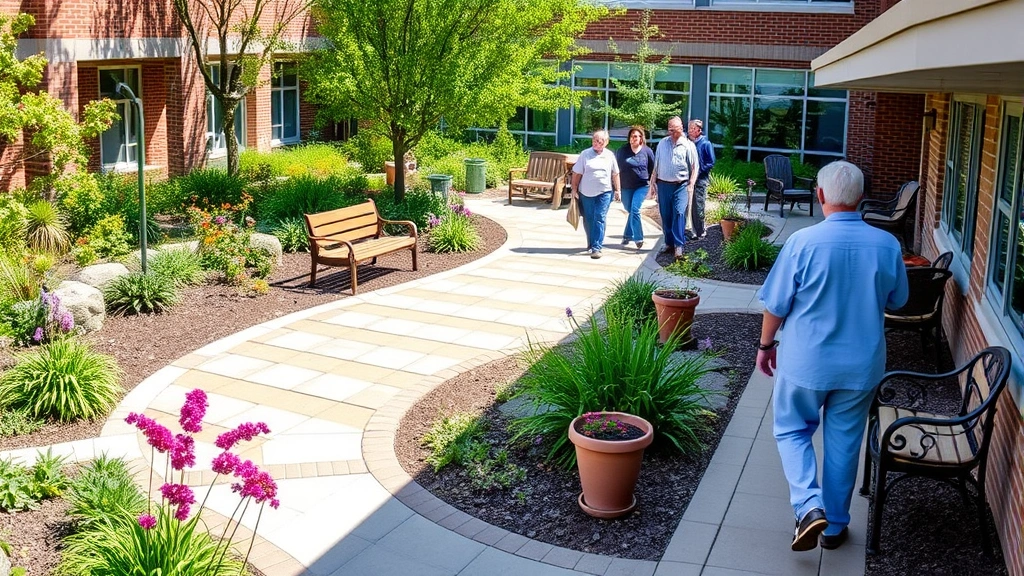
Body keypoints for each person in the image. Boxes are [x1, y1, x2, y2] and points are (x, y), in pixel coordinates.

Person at [756, 160, 909, 553]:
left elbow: (776, 304)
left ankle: (809, 506)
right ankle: (835, 527)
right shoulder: (887, 245)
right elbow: (899, 300)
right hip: (861, 366)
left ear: (821, 196)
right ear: (861, 198)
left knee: (792, 430)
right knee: (844, 442)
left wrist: (766, 345)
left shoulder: (802, 243)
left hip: (806, 363)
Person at [649, 116, 698, 259]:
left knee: (679, 212)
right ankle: (669, 242)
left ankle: (679, 246)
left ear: (681, 129)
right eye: (669, 130)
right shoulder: (662, 144)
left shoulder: (688, 145)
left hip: (680, 185)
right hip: (663, 184)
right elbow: (656, 165)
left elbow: (695, 167)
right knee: (666, 214)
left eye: (674, 130)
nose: (671, 133)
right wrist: (652, 183)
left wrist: (691, 184)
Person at [571, 130, 621, 259]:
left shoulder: (609, 155)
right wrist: (574, 189)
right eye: (594, 140)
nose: (596, 143)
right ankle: (591, 241)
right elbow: (577, 173)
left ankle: (597, 247)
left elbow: (615, 173)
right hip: (586, 192)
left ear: (606, 142)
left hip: (604, 192)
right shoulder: (585, 154)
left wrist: (617, 190)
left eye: (599, 141)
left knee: (599, 217)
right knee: (588, 218)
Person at [615, 126, 655, 250]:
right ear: (629, 138)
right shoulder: (623, 150)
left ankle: (638, 238)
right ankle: (627, 235)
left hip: (642, 186)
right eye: (633, 136)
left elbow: (653, 169)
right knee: (630, 210)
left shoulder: (647, 151)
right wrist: (616, 188)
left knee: (635, 209)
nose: (635, 138)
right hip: (626, 186)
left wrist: (653, 186)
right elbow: (616, 169)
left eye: (637, 136)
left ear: (641, 138)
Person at [687, 119, 716, 239]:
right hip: (689, 180)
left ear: (699, 130)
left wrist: (698, 171)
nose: (689, 131)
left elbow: (711, 162)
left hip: (700, 180)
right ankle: (693, 231)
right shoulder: (690, 143)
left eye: (692, 128)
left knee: (698, 206)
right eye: (689, 128)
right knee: (690, 206)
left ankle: (701, 231)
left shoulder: (705, 144)